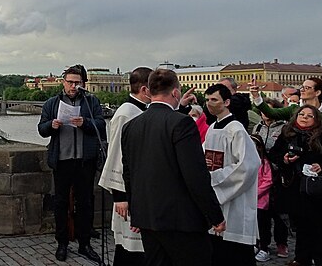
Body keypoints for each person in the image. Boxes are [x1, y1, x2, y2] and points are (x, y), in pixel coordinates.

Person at [121, 69, 225, 266]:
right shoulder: (182, 123)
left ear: (150, 91)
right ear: (176, 93)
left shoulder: (131, 125)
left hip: (147, 217)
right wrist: (214, 215)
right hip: (180, 220)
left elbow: (129, 173)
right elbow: (195, 175)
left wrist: (136, 211)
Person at [38, 64, 105, 262]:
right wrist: (52, 125)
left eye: (77, 82)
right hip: (62, 160)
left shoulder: (91, 102)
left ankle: (84, 244)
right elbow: (41, 129)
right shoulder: (51, 103)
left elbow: (101, 125)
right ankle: (62, 243)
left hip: (85, 161)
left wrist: (85, 123)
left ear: (83, 83)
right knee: (60, 203)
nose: (73, 86)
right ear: (63, 82)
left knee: (85, 203)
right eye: (70, 82)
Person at [269, 104, 322, 266]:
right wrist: (284, 159)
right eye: (301, 114)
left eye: (309, 115)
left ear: (316, 119)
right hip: (295, 188)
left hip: (316, 189)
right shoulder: (287, 133)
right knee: (301, 226)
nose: (304, 117)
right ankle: (301, 258)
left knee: (320, 227)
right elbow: (274, 154)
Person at [99, 66, 152, 266]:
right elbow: (117, 155)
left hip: (141, 190)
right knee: (129, 249)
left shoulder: (141, 110)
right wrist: (119, 197)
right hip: (127, 194)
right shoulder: (126, 113)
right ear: (145, 89)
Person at [203, 83, 259, 266]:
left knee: (235, 254)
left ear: (226, 102)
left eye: (214, 100)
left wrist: (215, 179)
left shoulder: (237, 129)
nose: (209, 104)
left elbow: (248, 165)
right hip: (214, 193)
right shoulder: (212, 129)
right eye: (207, 100)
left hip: (235, 197)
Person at [252, 105, 289, 258]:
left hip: (278, 172)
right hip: (260, 164)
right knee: (263, 217)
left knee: (280, 213)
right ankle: (262, 244)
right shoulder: (257, 127)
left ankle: (282, 243)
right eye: (262, 111)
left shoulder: (283, 128)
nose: (265, 114)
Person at [251, 78, 322, 131]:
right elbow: (271, 113)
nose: (302, 90)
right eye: (302, 87)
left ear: (317, 92)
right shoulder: (294, 109)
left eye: (307, 88)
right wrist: (256, 96)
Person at [251, 134, 274, 262]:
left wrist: (256, 192)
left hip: (261, 201)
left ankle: (264, 247)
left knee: (262, 225)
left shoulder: (264, 162)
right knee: (252, 224)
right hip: (250, 200)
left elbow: (268, 180)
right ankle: (255, 244)